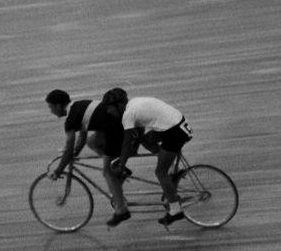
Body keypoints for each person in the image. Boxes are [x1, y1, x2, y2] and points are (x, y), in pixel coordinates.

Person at [98, 88, 194, 226]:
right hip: (177, 125)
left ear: (119, 105)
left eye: (110, 108)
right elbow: (137, 136)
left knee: (160, 172)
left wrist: (121, 165)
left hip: (174, 133)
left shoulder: (128, 114)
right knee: (145, 139)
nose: (108, 111)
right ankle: (173, 169)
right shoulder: (135, 103)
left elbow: (126, 143)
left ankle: (175, 210)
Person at [45, 88, 132, 226]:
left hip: (114, 130)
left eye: (50, 107)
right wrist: (74, 153)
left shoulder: (70, 120)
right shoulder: (78, 106)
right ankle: (117, 166)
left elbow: (68, 149)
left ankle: (122, 211)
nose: (51, 111)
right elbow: (82, 138)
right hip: (116, 124)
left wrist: (58, 170)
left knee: (107, 172)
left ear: (58, 105)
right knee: (92, 142)